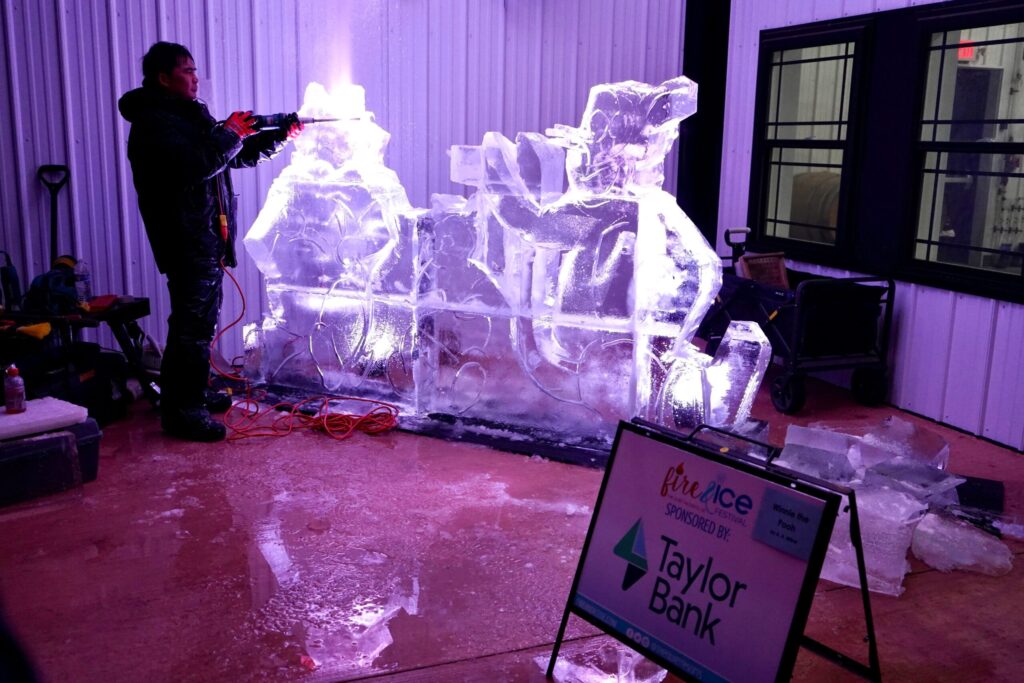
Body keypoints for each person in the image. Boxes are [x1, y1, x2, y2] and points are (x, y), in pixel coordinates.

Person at [118, 42, 301, 441]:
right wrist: (231, 131)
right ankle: (182, 412)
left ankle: (194, 392)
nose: (195, 77)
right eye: (187, 71)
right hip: (185, 239)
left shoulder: (188, 116)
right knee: (191, 326)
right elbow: (197, 164)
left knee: (201, 320)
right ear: (163, 78)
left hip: (206, 236)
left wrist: (279, 134)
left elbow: (231, 156)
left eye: (195, 69)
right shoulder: (154, 123)